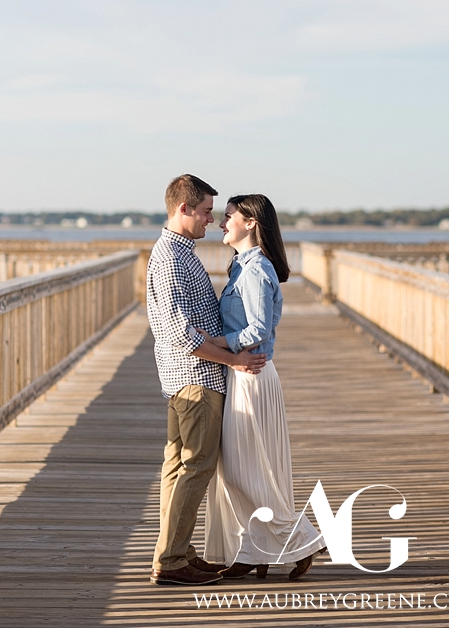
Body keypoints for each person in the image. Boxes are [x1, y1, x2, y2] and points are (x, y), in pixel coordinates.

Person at [145, 173, 267, 587]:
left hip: (187, 377)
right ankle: (173, 560)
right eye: (205, 212)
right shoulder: (173, 259)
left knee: (179, 466)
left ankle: (175, 553)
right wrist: (232, 360)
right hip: (195, 378)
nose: (210, 221)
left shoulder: (178, 252)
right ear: (184, 209)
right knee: (195, 465)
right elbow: (182, 333)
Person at [201, 194, 321, 580]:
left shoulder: (254, 270)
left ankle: (303, 538)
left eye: (229, 216)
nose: (222, 224)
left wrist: (211, 342)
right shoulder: (241, 265)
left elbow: (257, 331)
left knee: (244, 472)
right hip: (245, 373)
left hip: (251, 374)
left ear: (250, 222)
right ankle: (253, 550)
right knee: (241, 468)